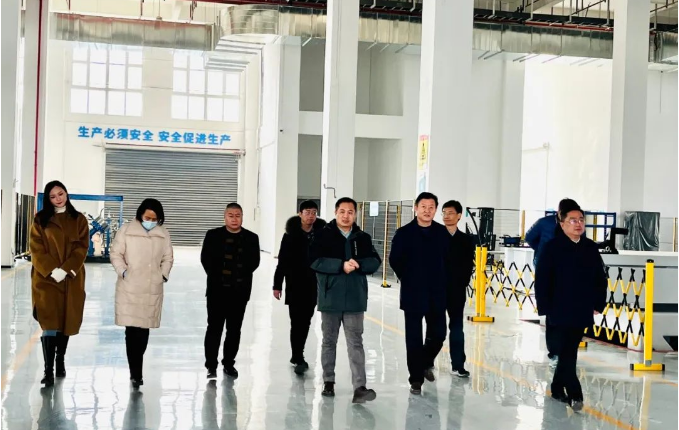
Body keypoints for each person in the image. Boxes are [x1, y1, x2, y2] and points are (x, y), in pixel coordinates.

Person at [535, 200, 607, 412]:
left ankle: (558, 388)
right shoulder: (552, 247)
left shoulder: (590, 248)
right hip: (558, 308)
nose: (578, 224)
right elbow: (542, 279)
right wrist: (544, 307)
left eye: (581, 220)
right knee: (567, 351)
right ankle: (575, 393)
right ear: (562, 223)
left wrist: (598, 303)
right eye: (573, 220)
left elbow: (600, 278)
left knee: (569, 350)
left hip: (581, 307)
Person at [310, 197, 381, 404]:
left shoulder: (362, 238)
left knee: (355, 342)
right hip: (330, 297)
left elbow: (375, 261)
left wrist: (359, 264)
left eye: (350, 212)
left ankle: (360, 387)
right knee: (329, 341)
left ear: (355, 214)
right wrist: (340, 266)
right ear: (335, 212)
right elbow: (314, 261)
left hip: (355, 299)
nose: (346, 215)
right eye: (342, 211)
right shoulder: (323, 235)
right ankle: (328, 381)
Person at [389, 192, 450, 394]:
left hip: (437, 293)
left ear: (436, 210)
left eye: (431, 207)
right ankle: (416, 378)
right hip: (413, 293)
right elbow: (394, 260)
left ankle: (424, 362)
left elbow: (449, 259)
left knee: (439, 334)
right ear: (416, 208)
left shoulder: (441, 233)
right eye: (423, 206)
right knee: (414, 338)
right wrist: (408, 278)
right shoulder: (404, 233)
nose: (427, 211)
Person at [30, 181, 89, 387]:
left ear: (66, 194)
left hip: (71, 279)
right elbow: (36, 248)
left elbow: (82, 248)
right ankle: (48, 371)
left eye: (60, 194)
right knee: (49, 324)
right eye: (53, 196)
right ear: (48, 199)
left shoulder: (79, 219)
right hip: (46, 280)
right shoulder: (41, 219)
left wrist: (65, 270)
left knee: (66, 322)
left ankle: (60, 360)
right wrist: (51, 269)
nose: (58, 199)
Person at [110, 198, 174, 389]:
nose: (150, 222)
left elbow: (168, 257)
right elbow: (115, 254)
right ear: (140, 215)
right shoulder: (126, 230)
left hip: (151, 287)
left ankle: (137, 366)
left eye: (154, 219)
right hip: (129, 287)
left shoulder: (163, 234)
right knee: (131, 331)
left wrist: (162, 275)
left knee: (144, 331)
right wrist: (123, 272)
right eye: (147, 218)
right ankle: (135, 372)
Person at [201, 203, 260, 379]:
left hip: (239, 293)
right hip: (217, 292)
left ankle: (229, 363)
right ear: (225, 216)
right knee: (214, 328)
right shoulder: (213, 235)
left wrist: (237, 276)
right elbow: (206, 260)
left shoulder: (251, 238)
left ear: (242, 217)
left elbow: (254, 262)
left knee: (234, 330)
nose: (234, 219)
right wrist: (219, 276)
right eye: (231, 215)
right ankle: (211, 365)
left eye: (238, 215)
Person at [273, 200, 327, 375]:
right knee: (296, 321)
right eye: (307, 212)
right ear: (300, 214)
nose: (311, 216)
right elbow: (282, 261)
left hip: (313, 284)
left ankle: (298, 354)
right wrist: (277, 285)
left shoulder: (321, 234)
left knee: (306, 321)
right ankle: (297, 356)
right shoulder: (290, 235)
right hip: (295, 283)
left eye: (314, 212)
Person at [526, 198, 579, 368]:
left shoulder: (575, 225)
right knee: (553, 311)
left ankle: (565, 348)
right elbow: (529, 238)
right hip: (547, 268)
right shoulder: (544, 223)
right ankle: (554, 351)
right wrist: (541, 251)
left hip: (568, 269)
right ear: (559, 214)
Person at [437, 200, 474, 378]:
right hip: (436, 289)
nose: (446, 216)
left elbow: (468, 265)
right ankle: (427, 361)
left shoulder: (466, 240)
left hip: (456, 290)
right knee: (436, 329)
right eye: (444, 212)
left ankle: (458, 364)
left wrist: (462, 283)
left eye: (450, 213)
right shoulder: (435, 236)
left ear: (459, 216)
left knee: (457, 327)